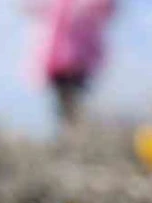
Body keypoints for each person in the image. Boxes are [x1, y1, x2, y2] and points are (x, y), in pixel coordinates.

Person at [26, 0, 117, 133]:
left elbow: (107, 8)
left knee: (75, 99)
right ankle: (70, 133)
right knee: (63, 102)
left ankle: (75, 132)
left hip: (79, 60)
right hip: (56, 61)